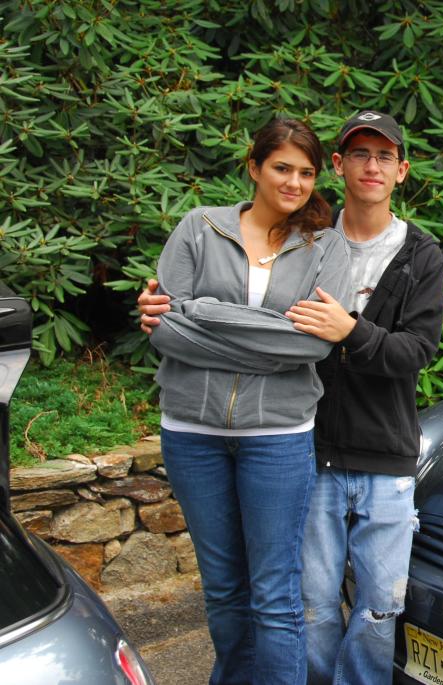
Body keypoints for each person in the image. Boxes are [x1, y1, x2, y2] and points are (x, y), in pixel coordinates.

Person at [140, 110, 443, 685]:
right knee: (291, 600)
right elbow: (167, 329)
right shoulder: (229, 230)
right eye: (360, 154)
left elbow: (359, 349)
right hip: (282, 442)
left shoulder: (381, 251)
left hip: (342, 444)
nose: (372, 166)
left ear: (401, 170)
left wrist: (205, 317)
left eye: (384, 156)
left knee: (362, 605)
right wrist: (234, 331)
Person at [144, 117, 349, 685]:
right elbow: (166, 331)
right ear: (254, 167)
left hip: (277, 437)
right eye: (282, 168)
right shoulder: (199, 227)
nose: (294, 183)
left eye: (306, 173)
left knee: (275, 594)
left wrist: (202, 314)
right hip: (192, 433)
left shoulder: (325, 246)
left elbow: (312, 345)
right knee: (223, 589)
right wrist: (270, 336)